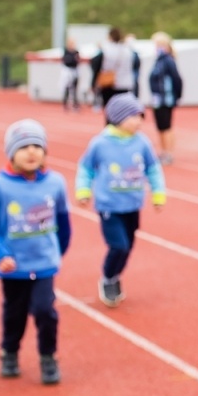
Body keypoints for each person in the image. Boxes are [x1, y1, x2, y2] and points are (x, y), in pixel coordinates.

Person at [0, 120, 71, 385]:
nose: (31, 152)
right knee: (14, 313)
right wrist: (1, 254)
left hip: (44, 264)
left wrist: (57, 251)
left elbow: (63, 221)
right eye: (24, 147)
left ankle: (48, 357)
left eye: (37, 146)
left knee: (44, 310)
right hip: (14, 266)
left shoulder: (55, 183)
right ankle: (9, 351)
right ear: (11, 153)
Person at [76, 95, 166, 308]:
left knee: (128, 247)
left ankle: (115, 275)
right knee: (119, 245)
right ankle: (108, 277)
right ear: (118, 118)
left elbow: (153, 169)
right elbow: (86, 168)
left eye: (140, 116)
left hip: (132, 205)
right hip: (109, 205)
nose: (139, 121)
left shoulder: (142, 142)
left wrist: (158, 194)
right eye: (134, 117)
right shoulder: (100, 143)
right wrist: (83, 191)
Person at [147, 33, 183, 165]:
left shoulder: (168, 60)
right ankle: (163, 151)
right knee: (161, 126)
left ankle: (168, 152)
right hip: (157, 99)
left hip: (166, 99)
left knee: (166, 126)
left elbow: (177, 79)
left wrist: (177, 96)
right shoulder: (159, 60)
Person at [93, 28, 133, 112]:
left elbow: (96, 65)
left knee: (109, 110)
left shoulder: (106, 49)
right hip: (124, 83)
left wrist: (93, 82)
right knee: (122, 110)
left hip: (109, 83)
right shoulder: (127, 50)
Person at [60, 36, 83, 112]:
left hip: (75, 71)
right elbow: (66, 60)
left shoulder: (76, 52)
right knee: (67, 88)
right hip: (67, 72)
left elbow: (77, 61)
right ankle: (65, 103)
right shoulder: (66, 51)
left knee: (75, 89)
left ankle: (75, 103)